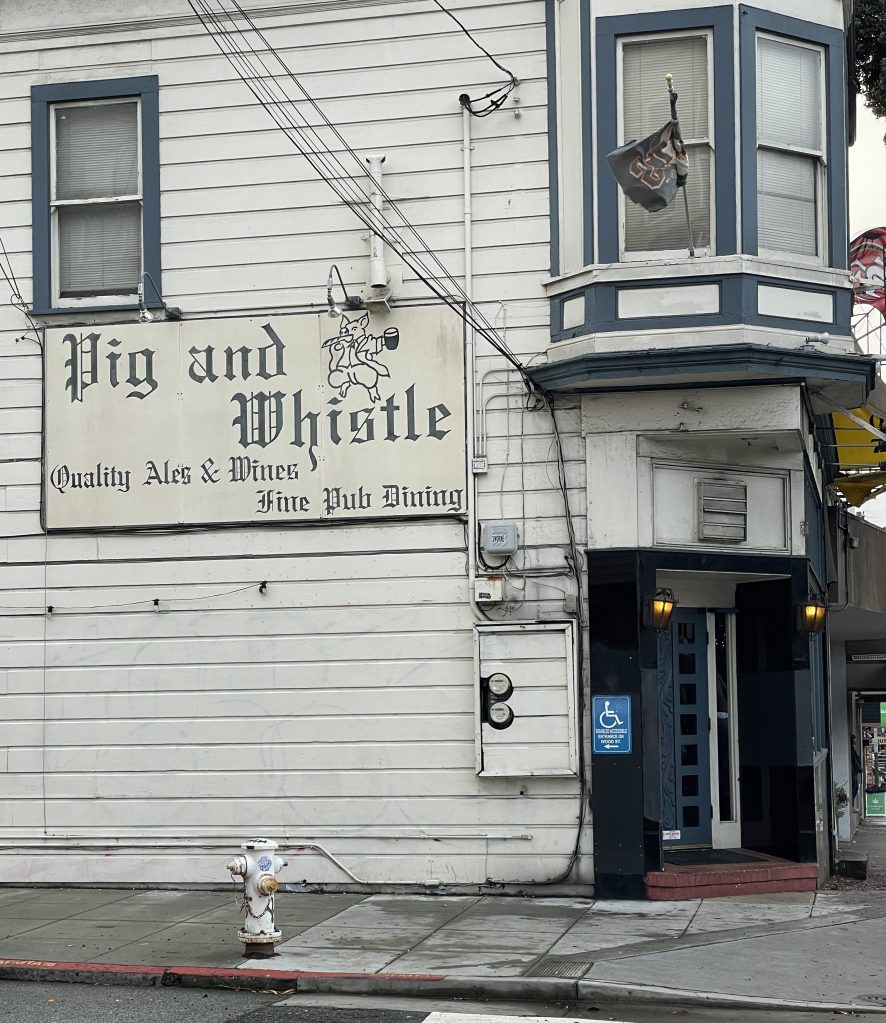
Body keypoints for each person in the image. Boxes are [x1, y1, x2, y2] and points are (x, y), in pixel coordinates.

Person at [851, 735, 863, 802]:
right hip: (853, 772)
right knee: (855, 787)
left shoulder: (852, 749)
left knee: (855, 788)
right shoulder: (851, 750)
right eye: (854, 739)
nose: (856, 741)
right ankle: (851, 802)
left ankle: (851, 803)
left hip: (854, 771)